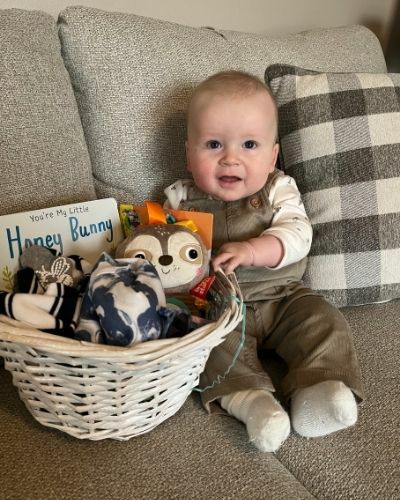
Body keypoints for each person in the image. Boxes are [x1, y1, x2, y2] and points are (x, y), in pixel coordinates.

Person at [164, 70, 364, 452]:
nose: (230, 159)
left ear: (273, 156)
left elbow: (298, 235)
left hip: (285, 296)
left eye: (249, 144)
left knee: (324, 320)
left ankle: (317, 390)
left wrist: (253, 250)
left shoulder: (279, 188)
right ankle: (252, 402)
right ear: (189, 154)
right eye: (213, 144)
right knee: (204, 344)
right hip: (221, 309)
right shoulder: (176, 199)